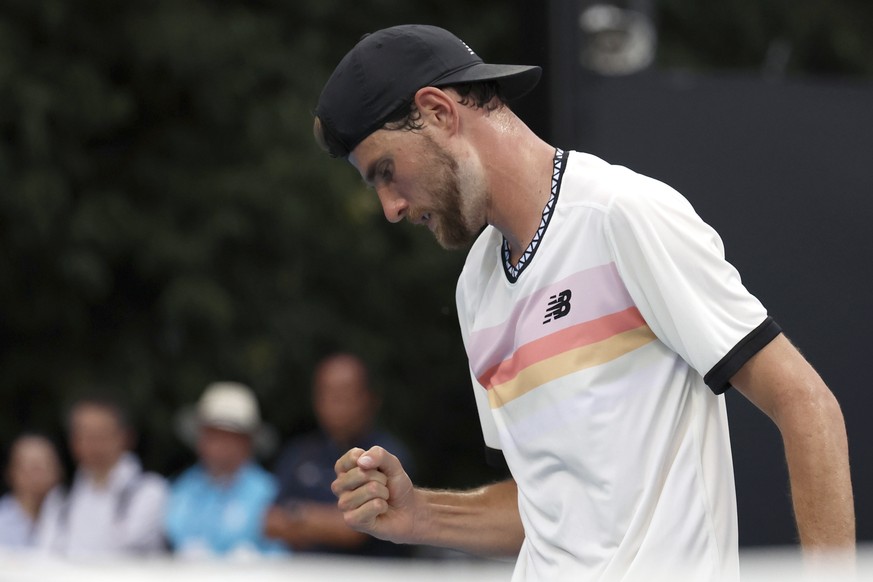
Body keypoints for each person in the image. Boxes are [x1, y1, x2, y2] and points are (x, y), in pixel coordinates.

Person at [314, 24, 855, 581]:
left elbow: (806, 405)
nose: (390, 208)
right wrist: (422, 515)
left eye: (385, 171)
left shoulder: (623, 214)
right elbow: (547, 511)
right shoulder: (475, 284)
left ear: (439, 113)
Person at [265, 353, 414, 557]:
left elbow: (355, 529)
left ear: (370, 399)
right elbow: (271, 523)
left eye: (345, 393)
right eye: (327, 392)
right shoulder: (299, 452)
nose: (335, 402)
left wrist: (298, 516)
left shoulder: (387, 456)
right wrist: (326, 522)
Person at [164, 381, 287, 558]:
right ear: (200, 439)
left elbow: (280, 555)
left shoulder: (270, 492)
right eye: (214, 435)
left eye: (231, 437)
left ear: (248, 443)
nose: (221, 446)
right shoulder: (181, 489)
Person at [35, 396, 169, 556]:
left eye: (101, 434)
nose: (91, 444)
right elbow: (44, 555)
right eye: (84, 435)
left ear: (125, 437)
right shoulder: (60, 497)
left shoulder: (150, 491)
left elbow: (124, 553)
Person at [0, 434, 63, 549]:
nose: (38, 476)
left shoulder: (70, 516)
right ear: (11, 472)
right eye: (33, 467)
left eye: (46, 466)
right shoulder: (2, 521)